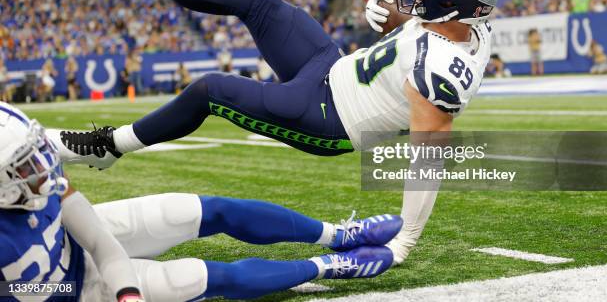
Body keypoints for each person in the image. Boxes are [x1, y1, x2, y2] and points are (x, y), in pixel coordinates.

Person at [58, 0, 502, 265]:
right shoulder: (463, 21)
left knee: (212, 90)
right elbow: (419, 33)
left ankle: (108, 147)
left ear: (449, 0)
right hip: (331, 68)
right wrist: (393, 17)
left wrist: (404, 240)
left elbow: (427, 159)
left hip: (329, 117)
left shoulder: (443, 72)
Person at [0, 102, 399, 301]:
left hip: (72, 245)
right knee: (205, 277)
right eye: (25, 166)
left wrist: (127, 291)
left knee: (203, 209)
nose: (43, 166)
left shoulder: (30, 175)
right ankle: (328, 266)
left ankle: (337, 235)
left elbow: (101, 242)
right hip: (73, 291)